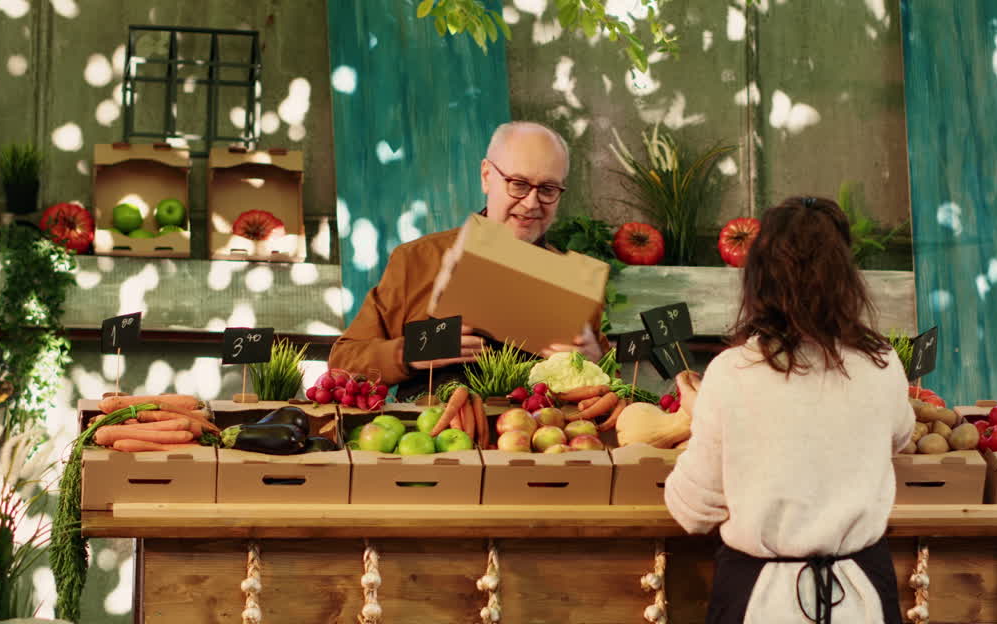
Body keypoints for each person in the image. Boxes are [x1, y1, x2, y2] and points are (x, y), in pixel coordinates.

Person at [664, 196, 913, 624]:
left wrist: (699, 413)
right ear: (846, 278)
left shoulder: (730, 373)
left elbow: (692, 510)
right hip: (862, 600)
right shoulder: (883, 363)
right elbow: (901, 436)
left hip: (760, 603)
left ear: (759, 279)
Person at [329, 121, 606, 402]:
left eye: (548, 189)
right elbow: (343, 363)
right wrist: (411, 352)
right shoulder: (416, 261)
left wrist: (595, 361)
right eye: (518, 184)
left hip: (542, 440)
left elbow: (610, 392)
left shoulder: (574, 290)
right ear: (487, 176)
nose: (531, 203)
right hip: (431, 440)